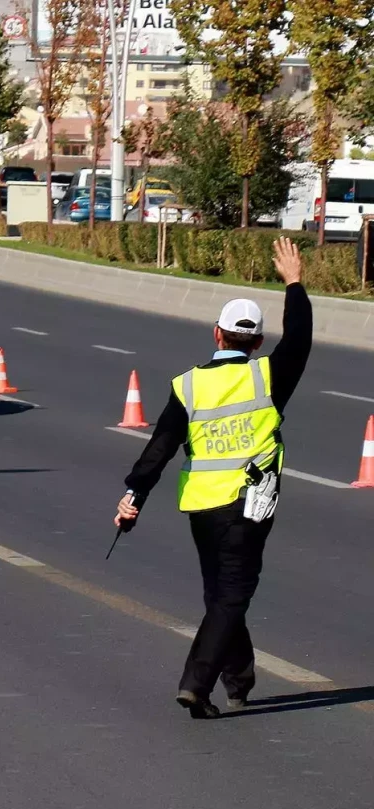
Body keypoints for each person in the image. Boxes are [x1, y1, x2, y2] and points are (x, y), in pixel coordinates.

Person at [114, 237, 311, 719]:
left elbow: (159, 448)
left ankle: (239, 681)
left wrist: (132, 497)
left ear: (216, 334)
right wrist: (294, 283)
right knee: (231, 595)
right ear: (257, 343)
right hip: (249, 507)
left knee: (221, 594)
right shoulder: (268, 376)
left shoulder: (189, 385)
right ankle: (196, 685)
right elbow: (300, 338)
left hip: (202, 508)